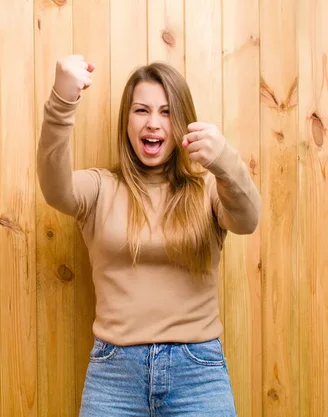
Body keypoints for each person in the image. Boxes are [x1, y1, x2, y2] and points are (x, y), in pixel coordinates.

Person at [37, 55, 261, 416]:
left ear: (183, 121)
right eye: (141, 110)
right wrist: (63, 99)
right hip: (114, 375)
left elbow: (248, 219)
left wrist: (224, 162)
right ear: (127, 120)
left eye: (166, 112)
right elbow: (54, 187)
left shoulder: (206, 189)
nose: (153, 124)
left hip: (198, 372)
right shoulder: (100, 188)